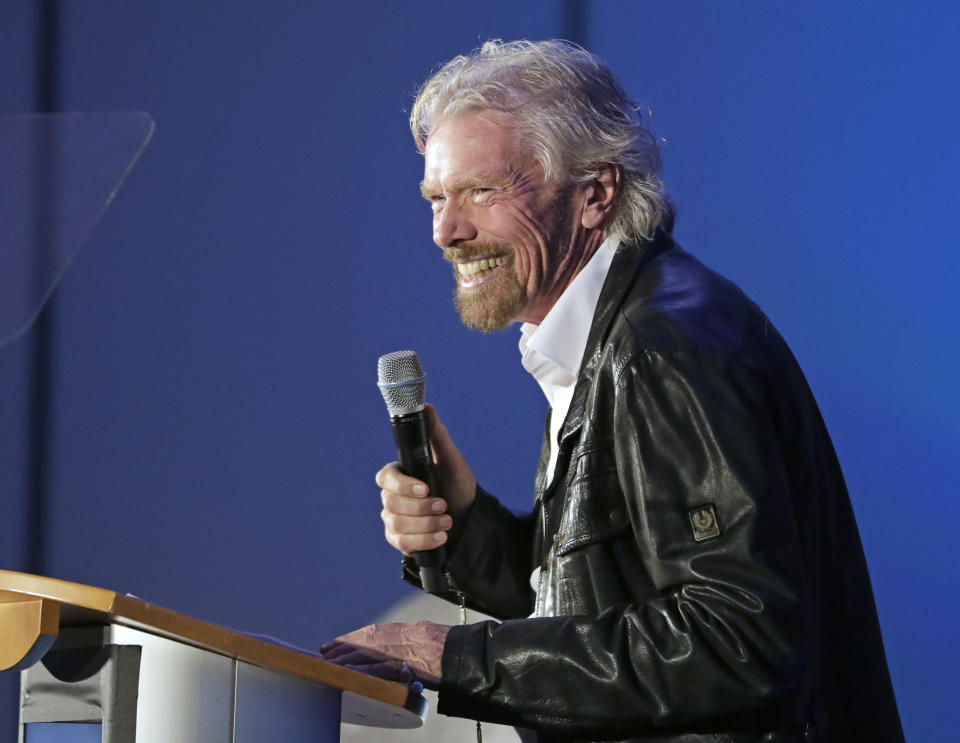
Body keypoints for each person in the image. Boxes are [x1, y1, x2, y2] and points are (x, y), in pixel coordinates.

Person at [321, 40, 904, 742]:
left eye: (482, 191)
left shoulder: (661, 347)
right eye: (437, 197)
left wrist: (453, 655)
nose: (447, 230)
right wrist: (467, 524)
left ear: (594, 192)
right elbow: (601, 604)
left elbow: (739, 635)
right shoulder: (600, 336)